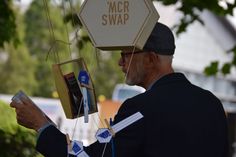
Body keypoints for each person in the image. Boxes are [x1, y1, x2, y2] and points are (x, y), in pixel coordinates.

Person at [10, 22, 229, 157]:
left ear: (151, 59)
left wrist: (42, 126)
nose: (120, 63)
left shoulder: (140, 109)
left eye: (127, 55)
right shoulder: (212, 104)